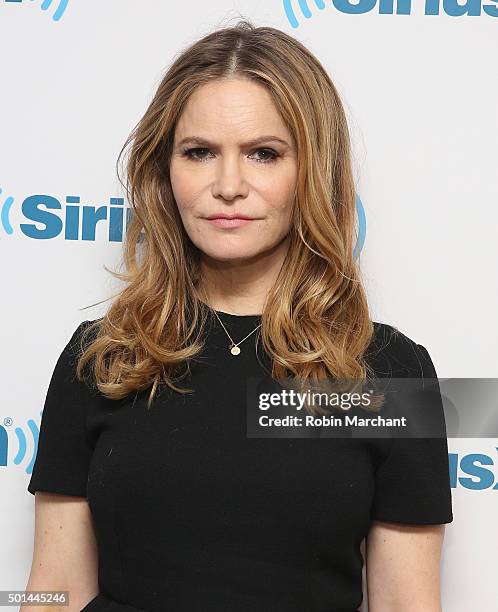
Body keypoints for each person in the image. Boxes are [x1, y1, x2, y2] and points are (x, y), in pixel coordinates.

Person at [24, 19, 453, 612]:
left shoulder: (390, 373)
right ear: (164, 172)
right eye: (199, 152)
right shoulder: (102, 357)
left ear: (312, 172)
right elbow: (54, 596)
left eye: (263, 153)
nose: (229, 185)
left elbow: (407, 604)